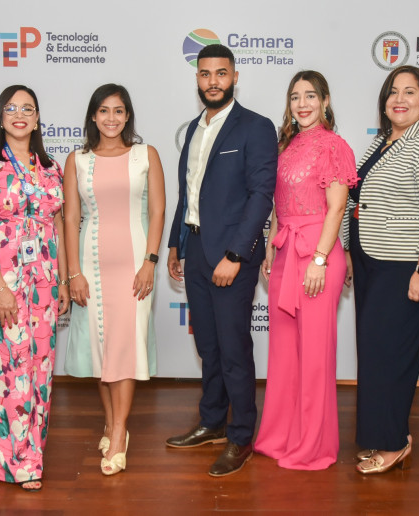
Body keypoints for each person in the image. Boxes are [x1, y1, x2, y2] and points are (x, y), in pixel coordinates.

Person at [165, 43, 278, 477]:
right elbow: (189, 192)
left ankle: (241, 435)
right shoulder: (194, 128)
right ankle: (212, 421)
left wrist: (235, 254)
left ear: (234, 76)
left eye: (221, 73)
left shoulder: (255, 127)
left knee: (233, 350)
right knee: (208, 347)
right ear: (197, 78)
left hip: (231, 257)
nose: (213, 81)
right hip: (194, 252)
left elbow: (260, 196)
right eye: (205, 74)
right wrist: (177, 243)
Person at [343, 65, 419, 474]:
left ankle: (392, 444)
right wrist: (344, 249)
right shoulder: (382, 142)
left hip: (406, 264)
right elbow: (354, 197)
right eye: (393, 91)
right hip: (372, 258)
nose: (400, 98)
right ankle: (388, 433)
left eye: (410, 92)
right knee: (376, 352)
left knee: (391, 354)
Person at [0, 85, 68, 491]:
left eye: (28, 108)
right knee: (7, 369)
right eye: (11, 107)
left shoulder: (50, 167)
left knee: (38, 370)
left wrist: (59, 280)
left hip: (44, 282)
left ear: (38, 118)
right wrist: (0, 288)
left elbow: (57, 224)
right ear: (0, 116)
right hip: (2, 282)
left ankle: (31, 455)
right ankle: (9, 462)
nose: (19, 114)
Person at [254, 71, 358, 470]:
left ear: (325, 101)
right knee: (284, 354)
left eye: (310, 96)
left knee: (314, 355)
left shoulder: (333, 146)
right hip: (285, 250)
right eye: (295, 97)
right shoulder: (286, 145)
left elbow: (336, 208)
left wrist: (318, 258)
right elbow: (279, 205)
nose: (302, 104)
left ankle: (313, 445)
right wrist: (270, 247)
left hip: (318, 251)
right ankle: (280, 435)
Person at [63, 84, 165, 476]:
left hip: (135, 266)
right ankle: (110, 422)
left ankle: (120, 431)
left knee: (125, 348)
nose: (111, 118)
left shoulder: (146, 155)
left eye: (118, 111)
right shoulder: (78, 159)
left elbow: (157, 212)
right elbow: (71, 219)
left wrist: (150, 262)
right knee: (100, 348)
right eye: (103, 111)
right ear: (93, 116)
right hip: (90, 264)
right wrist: (73, 272)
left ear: (127, 116)